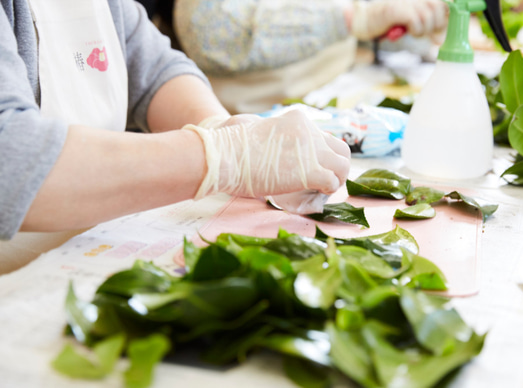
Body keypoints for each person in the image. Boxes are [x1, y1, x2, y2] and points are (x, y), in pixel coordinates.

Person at [0, 0, 351, 241]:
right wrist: (223, 157)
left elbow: (154, 70)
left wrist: (222, 128)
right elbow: (10, 157)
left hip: (77, 244)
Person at [172, 0, 449, 113]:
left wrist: (416, 20)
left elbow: (369, 28)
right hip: (242, 128)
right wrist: (357, 18)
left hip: (328, 113)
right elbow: (212, 36)